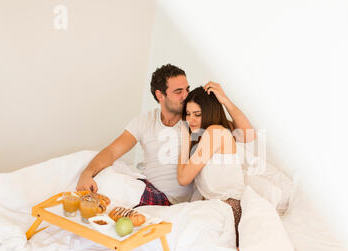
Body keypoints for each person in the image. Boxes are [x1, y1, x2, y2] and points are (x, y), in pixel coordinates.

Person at [77, 64, 255, 207]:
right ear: (160, 95)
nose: (186, 95)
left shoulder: (196, 121)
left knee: (110, 181)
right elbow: (112, 151)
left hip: (169, 201)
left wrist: (225, 100)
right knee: (96, 167)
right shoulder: (145, 121)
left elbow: (247, 135)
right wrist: (87, 173)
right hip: (147, 188)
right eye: (178, 92)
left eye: (187, 89)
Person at [178, 86, 250, 249]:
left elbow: (183, 179)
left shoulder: (215, 132)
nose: (191, 120)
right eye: (188, 114)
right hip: (223, 208)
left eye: (197, 114)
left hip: (227, 209)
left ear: (209, 112)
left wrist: (185, 139)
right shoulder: (213, 133)